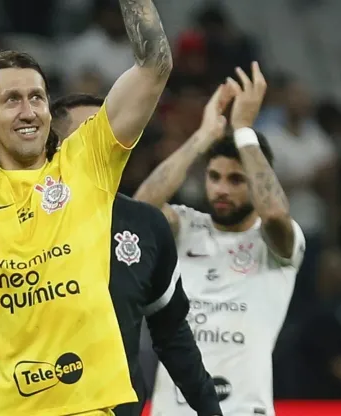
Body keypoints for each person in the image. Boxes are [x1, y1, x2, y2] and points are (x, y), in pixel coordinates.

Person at [0, 0, 172, 413]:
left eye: (37, 97)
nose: (29, 111)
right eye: (13, 100)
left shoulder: (86, 162)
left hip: (86, 406)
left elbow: (154, 67)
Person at [135, 62, 305, 416]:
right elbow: (139, 213)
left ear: (257, 183)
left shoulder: (276, 245)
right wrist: (203, 136)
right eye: (215, 177)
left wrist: (244, 131)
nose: (221, 189)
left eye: (236, 179)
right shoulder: (185, 226)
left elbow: (274, 214)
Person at [51, 94, 222, 416]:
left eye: (108, 131)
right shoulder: (13, 220)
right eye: (89, 132)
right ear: (53, 147)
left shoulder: (145, 225)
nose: (103, 140)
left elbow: (172, 333)